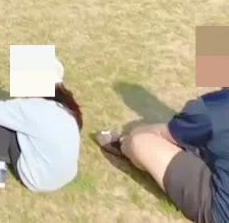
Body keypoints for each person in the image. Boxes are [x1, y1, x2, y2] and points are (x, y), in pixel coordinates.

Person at [97, 89, 229, 223]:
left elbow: (166, 133)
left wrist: (131, 136)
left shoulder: (217, 106)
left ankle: (122, 144)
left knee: (140, 142)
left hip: (221, 209)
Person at [0, 58, 82, 191]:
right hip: (65, 177)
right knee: (12, 118)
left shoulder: (30, 108)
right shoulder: (67, 109)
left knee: (4, 119)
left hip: (39, 180)